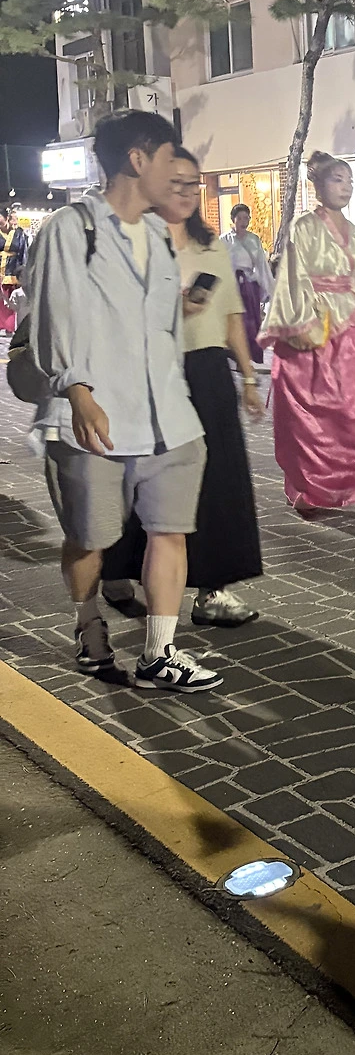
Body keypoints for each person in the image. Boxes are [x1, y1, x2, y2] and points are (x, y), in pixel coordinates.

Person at [23, 110, 221, 692]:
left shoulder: (158, 234)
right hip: (95, 416)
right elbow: (54, 316)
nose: (176, 174)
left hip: (168, 416)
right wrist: (77, 392)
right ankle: (89, 625)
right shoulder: (71, 228)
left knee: (170, 530)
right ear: (138, 160)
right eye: (168, 160)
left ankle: (161, 651)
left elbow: (153, 325)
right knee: (90, 537)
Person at [101, 149, 265, 628]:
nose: (188, 193)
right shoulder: (136, 239)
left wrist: (248, 376)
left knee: (218, 479)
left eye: (194, 184)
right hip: (151, 370)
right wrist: (171, 308)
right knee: (142, 476)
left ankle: (212, 588)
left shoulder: (211, 244)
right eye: (177, 183)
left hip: (208, 369)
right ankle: (119, 567)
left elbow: (231, 314)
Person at [262, 150, 355, 521]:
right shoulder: (303, 227)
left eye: (349, 181)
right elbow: (294, 279)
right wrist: (304, 325)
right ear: (318, 186)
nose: (345, 187)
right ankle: (311, 486)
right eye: (337, 180)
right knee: (314, 422)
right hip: (315, 332)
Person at [222, 203, 273, 363]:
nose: (244, 222)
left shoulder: (253, 240)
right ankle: (237, 356)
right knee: (236, 322)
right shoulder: (224, 240)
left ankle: (252, 357)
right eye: (240, 218)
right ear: (233, 219)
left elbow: (261, 265)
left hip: (250, 286)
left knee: (251, 323)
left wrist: (269, 289)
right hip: (232, 286)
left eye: (246, 218)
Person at [0, 208, 28, 335]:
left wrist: (23, 272)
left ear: (7, 218)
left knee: (10, 300)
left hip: (12, 270)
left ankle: (9, 328)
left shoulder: (19, 233)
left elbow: (23, 252)